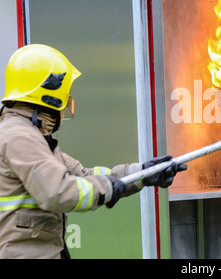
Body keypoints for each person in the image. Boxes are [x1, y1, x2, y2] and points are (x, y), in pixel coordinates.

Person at [0, 44, 186, 259]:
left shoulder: (29, 136)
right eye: (66, 95)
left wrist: (142, 173)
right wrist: (108, 187)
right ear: (50, 97)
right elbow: (57, 192)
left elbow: (85, 176)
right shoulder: (20, 138)